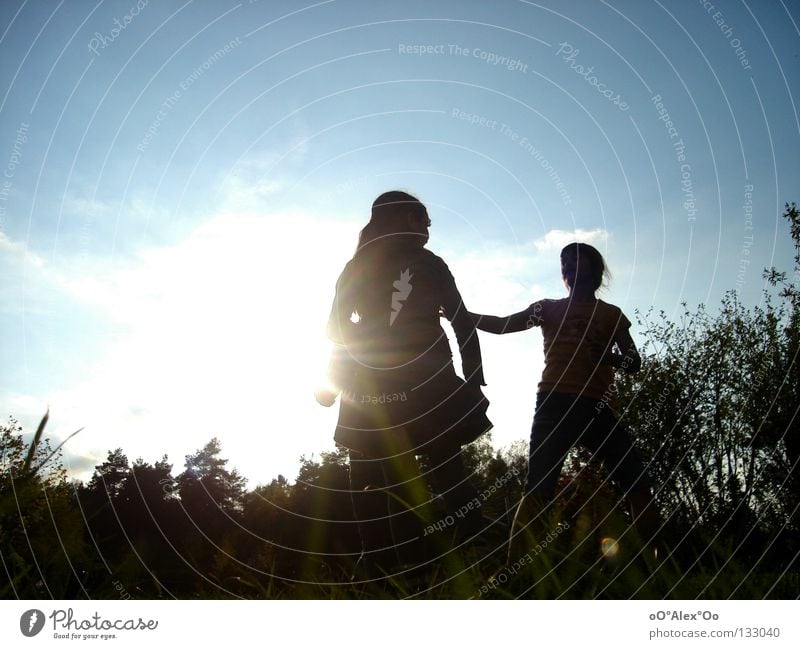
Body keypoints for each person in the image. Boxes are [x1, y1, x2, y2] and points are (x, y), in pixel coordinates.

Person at [316, 190, 492, 575]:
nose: (428, 227)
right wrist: (474, 380)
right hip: (427, 381)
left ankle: (385, 567)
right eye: (421, 218)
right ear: (399, 219)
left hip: (370, 386)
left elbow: (335, 327)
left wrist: (348, 360)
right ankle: (473, 553)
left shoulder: (356, 266)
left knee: (370, 477)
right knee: (445, 466)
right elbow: (462, 322)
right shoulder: (429, 263)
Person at [469, 242, 661, 562]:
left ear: (595, 269)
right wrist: (464, 315)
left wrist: (608, 359)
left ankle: (657, 565)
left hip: (597, 408)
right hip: (554, 404)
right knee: (538, 490)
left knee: (637, 483)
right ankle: (515, 573)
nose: (568, 267)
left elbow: (635, 362)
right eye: (563, 263)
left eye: (575, 260)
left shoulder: (611, 315)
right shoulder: (547, 308)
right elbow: (504, 325)